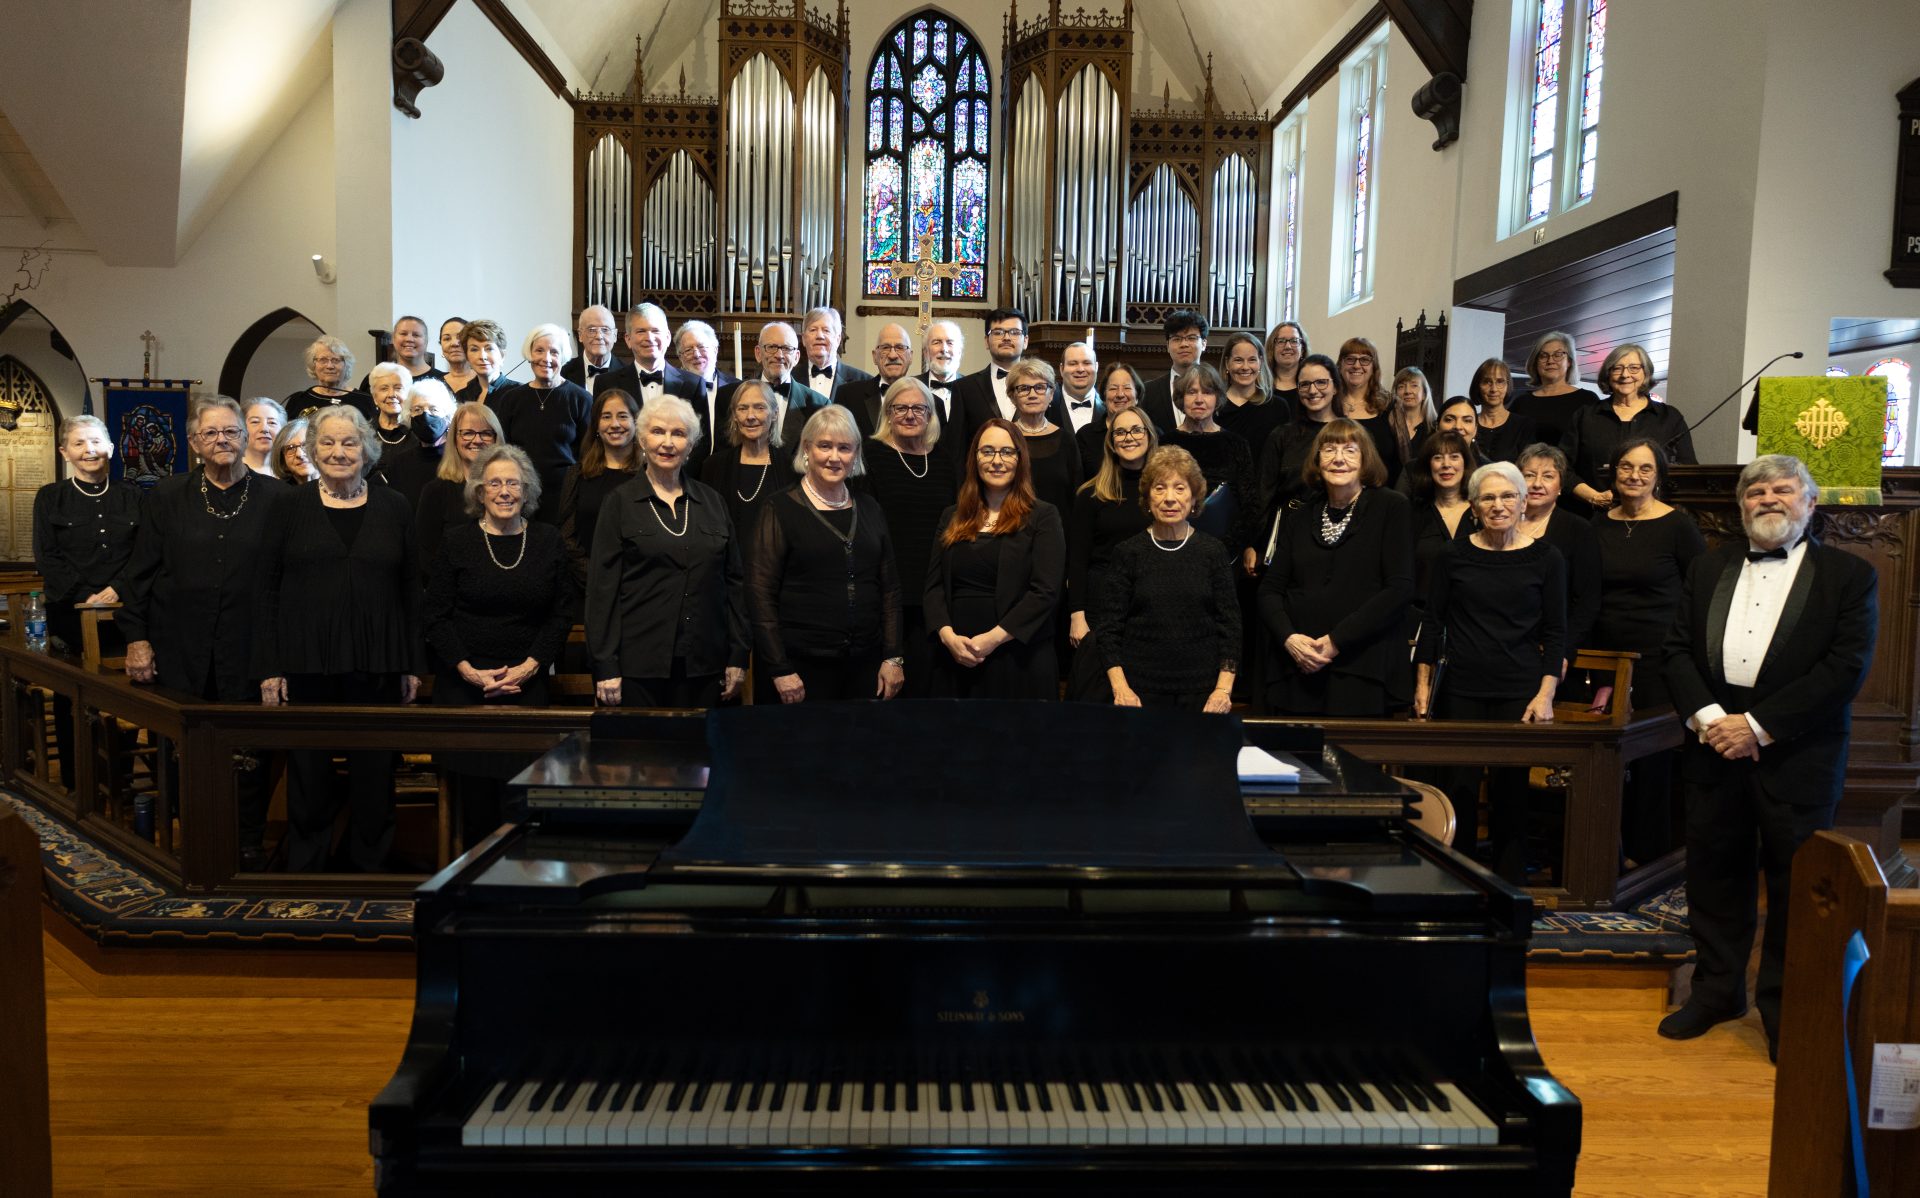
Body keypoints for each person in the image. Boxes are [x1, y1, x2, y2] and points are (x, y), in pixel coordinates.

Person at [1657, 455, 1876, 1061]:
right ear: (1741, 505)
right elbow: (1675, 651)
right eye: (1757, 490)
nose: (1770, 498)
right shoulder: (1707, 566)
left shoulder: (1850, 577)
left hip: (1796, 754)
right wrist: (1711, 722)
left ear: (1810, 504)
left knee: (1796, 888)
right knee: (1714, 876)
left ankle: (1785, 1010)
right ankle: (1717, 992)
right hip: (1713, 746)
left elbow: (1845, 668)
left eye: (1785, 489)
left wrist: (1757, 727)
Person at [119, 397, 286, 869]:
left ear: (245, 436)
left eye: (231, 432)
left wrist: (278, 659)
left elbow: (287, 584)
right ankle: (192, 838)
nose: (222, 441)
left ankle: (248, 842)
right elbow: (140, 575)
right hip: (181, 648)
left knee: (248, 755)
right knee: (181, 752)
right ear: (194, 442)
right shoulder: (167, 495)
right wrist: (137, 639)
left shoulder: (278, 499)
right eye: (211, 433)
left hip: (250, 648)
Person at [255, 405, 420, 873]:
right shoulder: (287, 506)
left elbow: (410, 590)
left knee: (375, 774)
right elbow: (265, 588)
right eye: (326, 443)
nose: (337, 452)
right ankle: (308, 866)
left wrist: (409, 663)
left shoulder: (395, 506)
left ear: (366, 450)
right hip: (306, 661)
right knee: (309, 774)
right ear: (311, 450)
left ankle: (371, 866)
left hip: (379, 661)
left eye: (349, 443)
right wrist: (269, 666)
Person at [1415, 461, 1567, 883]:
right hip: (1460, 689)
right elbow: (1433, 621)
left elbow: (1556, 632)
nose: (1498, 505)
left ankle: (1508, 889)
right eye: (1488, 498)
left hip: (1519, 690)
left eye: (1507, 497)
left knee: (1511, 796)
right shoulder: (1453, 554)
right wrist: (1423, 685)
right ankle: (1457, 883)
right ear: (1475, 507)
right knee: (1459, 793)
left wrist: (1545, 693)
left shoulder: (1547, 558)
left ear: (1522, 503)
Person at [424, 443, 573, 846]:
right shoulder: (456, 542)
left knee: (522, 796)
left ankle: (520, 879)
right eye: (495, 483)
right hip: (464, 684)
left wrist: (530, 666)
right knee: (475, 799)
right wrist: (468, 670)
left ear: (527, 492)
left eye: (514, 483)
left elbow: (561, 614)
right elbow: (435, 614)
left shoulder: (547, 540)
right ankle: (469, 875)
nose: (505, 491)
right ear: (479, 492)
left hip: (526, 680)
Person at [1587, 438, 1707, 863]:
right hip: (1604, 659)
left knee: (1652, 759)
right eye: (1625, 467)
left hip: (1659, 657)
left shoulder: (1678, 526)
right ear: (1613, 473)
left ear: (1659, 476)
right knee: (1605, 759)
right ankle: (1604, 852)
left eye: (1644, 469)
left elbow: (1701, 590)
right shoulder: (1598, 524)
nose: (1633, 476)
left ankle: (1649, 854)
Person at [587, 395, 749, 708]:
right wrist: (605, 665)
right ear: (642, 438)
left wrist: (738, 655)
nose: (668, 442)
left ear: (691, 445)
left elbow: (735, 584)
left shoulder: (713, 502)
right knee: (644, 757)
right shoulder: (619, 503)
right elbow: (602, 590)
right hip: (640, 666)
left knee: (704, 755)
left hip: (708, 663)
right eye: (658, 432)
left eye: (679, 433)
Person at [745, 405, 904, 703]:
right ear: (807, 449)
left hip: (866, 666)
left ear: (855, 454)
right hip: (799, 670)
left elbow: (890, 590)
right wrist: (780, 669)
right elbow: (759, 594)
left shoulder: (870, 508)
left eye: (844, 448)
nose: (834, 457)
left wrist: (893, 657)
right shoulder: (778, 508)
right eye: (825, 446)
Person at [1259, 419, 1412, 717]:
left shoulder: (1392, 507)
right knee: (1298, 763)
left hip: (1363, 667)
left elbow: (1400, 588)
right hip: (1299, 666)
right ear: (1316, 460)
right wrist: (1289, 638)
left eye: (1350, 450)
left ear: (1366, 459)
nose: (1338, 459)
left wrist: (1336, 641)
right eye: (1328, 450)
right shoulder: (1300, 514)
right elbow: (1270, 589)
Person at [32, 414, 143, 787]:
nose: (89, 450)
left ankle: (120, 779)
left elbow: (145, 553)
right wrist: (87, 597)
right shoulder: (50, 497)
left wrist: (118, 589)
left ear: (111, 448)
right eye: (79, 443)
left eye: (96, 442)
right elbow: (47, 557)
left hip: (125, 611)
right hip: (70, 614)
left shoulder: (134, 495)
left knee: (124, 695)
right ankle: (75, 780)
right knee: (73, 697)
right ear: (65, 452)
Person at [924, 418, 1066, 700]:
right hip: (956, 656)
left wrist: (992, 640)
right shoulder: (951, 516)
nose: (996, 460)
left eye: (1006, 452)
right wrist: (948, 636)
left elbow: (1046, 591)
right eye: (987, 451)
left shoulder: (1043, 516)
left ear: (1020, 459)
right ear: (974, 459)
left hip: (1018, 658)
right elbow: (934, 586)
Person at [1094, 445, 1241, 711]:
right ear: (1148, 498)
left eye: (1180, 488)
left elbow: (1230, 627)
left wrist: (1222, 689)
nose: (1169, 498)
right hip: (1137, 694)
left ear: (1195, 497)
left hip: (1203, 694)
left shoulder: (1213, 551)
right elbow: (1108, 629)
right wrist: (1121, 689)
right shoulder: (1128, 553)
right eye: (1159, 488)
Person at [854, 376, 956, 698]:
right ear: (887, 413)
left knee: (930, 687)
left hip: (935, 588)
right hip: (888, 587)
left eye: (918, 408)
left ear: (930, 414)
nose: (910, 415)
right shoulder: (871, 455)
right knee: (888, 691)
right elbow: (865, 526)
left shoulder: (943, 459)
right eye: (900, 408)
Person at [1066, 406, 1156, 701]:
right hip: (1100, 603)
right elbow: (1077, 560)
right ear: (1111, 442)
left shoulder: (1163, 491)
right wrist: (1077, 616)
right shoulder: (1091, 493)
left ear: (1149, 436)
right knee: (1098, 694)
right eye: (1120, 432)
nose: (1128, 438)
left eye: (1136, 430)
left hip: (1150, 602)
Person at [1564, 343, 1697, 512]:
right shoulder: (1585, 416)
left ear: (1645, 373)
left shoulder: (1669, 417)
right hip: (1594, 517)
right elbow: (1562, 467)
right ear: (1608, 374)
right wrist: (1592, 496)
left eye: (1634, 368)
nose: (1625, 375)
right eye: (1617, 368)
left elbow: (1688, 468)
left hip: (1655, 516)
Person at [489, 323, 593, 524]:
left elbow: (588, 454)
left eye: (554, 352)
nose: (546, 358)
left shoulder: (581, 399)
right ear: (530, 354)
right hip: (520, 494)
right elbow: (503, 449)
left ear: (562, 356)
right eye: (539, 350)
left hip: (567, 497)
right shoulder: (512, 399)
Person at [1515, 444, 1601, 668]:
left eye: (1548, 476)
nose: (1536, 484)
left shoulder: (1578, 529)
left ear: (1560, 486)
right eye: (1529, 475)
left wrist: (1562, 650)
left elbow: (1587, 601)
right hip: (1504, 644)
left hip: (1553, 647)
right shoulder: (1502, 523)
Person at [699, 379, 800, 569]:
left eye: (759, 407)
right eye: (742, 408)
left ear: (775, 414)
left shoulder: (791, 468)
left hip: (777, 573)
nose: (750, 416)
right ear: (734, 416)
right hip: (726, 574)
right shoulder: (713, 466)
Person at [556, 387, 641, 587]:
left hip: (639, 588)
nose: (614, 424)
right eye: (606, 417)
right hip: (587, 586)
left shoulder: (649, 475)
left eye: (622, 416)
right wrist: (596, 576)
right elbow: (566, 534)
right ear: (596, 425)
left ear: (635, 422)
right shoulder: (577, 474)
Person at [414, 401, 505, 578]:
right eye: (468, 433)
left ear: (496, 439)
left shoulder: (509, 488)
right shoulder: (435, 492)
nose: (477, 440)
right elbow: (426, 556)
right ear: (454, 439)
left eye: (486, 433)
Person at [1256, 352, 1339, 528]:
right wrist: (1254, 544)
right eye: (1305, 384)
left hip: (1339, 526)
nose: (1312, 390)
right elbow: (1264, 493)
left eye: (1321, 382)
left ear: (1336, 387)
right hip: (1290, 526)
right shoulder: (1282, 436)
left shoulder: (1352, 434)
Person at [720, 321, 829, 455]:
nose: (779, 355)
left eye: (787, 348)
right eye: (771, 347)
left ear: (796, 357)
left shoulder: (818, 405)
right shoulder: (727, 396)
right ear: (758, 354)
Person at [1005, 357, 1082, 518]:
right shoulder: (1004, 437)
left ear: (1051, 394)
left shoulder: (1067, 440)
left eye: (1040, 387)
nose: (1032, 394)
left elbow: (1076, 497)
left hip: (1058, 532)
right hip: (1010, 530)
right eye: (1024, 388)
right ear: (1013, 396)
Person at [1512, 330, 1601, 450]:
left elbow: (1593, 446)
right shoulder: (1521, 403)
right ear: (1535, 362)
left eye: (1558, 355)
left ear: (1569, 361)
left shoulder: (1587, 400)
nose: (1550, 361)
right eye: (1543, 356)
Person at [381, 378, 457, 508]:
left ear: (448, 417)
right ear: (409, 416)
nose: (425, 415)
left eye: (434, 409)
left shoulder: (460, 460)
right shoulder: (399, 463)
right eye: (417, 409)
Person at [1332, 336, 1399, 478]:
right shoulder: (1330, 404)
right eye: (1350, 359)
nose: (1357, 365)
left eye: (1364, 360)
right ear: (1340, 365)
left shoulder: (1390, 405)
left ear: (1373, 367)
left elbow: (1403, 460)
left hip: (1382, 494)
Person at [1217, 331, 1288, 460]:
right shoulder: (1215, 407)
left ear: (1260, 362)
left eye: (1252, 360)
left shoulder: (1278, 407)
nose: (1245, 367)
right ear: (1227, 363)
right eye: (1238, 360)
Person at [839, 322, 915, 438]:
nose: (893, 355)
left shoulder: (927, 400)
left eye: (900, 347)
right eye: (885, 348)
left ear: (910, 356)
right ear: (875, 357)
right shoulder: (848, 396)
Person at [1138, 310, 1209, 433]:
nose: (1184, 344)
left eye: (1191, 338)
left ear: (1204, 343)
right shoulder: (1147, 392)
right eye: (1176, 339)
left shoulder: (1217, 389)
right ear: (1167, 345)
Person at [1075, 361, 1146, 469]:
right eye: (1113, 388)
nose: (1120, 394)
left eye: (1127, 388)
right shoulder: (1085, 436)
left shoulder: (1153, 434)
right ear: (1104, 395)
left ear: (1137, 395)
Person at [285, 335, 373, 422]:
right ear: (313, 365)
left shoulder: (364, 401)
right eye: (323, 360)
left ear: (346, 365)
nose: (329, 366)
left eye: (336, 360)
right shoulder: (298, 400)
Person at [1470, 358, 1537, 464]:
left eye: (1500, 381)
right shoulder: (1468, 425)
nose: (1494, 389)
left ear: (1507, 386)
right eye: (1487, 382)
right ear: (1477, 386)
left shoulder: (1524, 426)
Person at [800, 306, 872, 402]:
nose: (819, 336)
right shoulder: (789, 378)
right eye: (813, 330)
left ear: (838, 339)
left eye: (826, 330)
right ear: (804, 339)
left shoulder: (864, 382)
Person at [365, 362, 418, 493]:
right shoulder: (363, 433)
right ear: (375, 397)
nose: (391, 394)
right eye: (384, 389)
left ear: (409, 394)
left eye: (398, 388)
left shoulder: (419, 432)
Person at [454, 319, 519, 405]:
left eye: (489, 349)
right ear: (467, 357)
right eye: (474, 349)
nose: (482, 356)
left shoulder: (518, 393)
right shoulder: (460, 396)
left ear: (502, 355)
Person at [920, 319, 966, 429]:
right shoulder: (911, 388)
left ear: (959, 352)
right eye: (937, 342)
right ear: (926, 352)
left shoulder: (973, 389)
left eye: (950, 343)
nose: (944, 349)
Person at [561, 304, 620, 387]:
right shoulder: (562, 372)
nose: (599, 336)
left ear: (615, 335)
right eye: (592, 330)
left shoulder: (629, 374)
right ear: (580, 335)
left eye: (605, 329)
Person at [1388, 367, 1437, 467]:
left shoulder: (1435, 428)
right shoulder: (1387, 424)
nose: (1407, 391)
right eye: (1401, 387)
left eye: (1414, 385)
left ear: (1424, 394)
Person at [1057, 341, 1101, 435]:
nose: (1080, 369)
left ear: (1096, 367)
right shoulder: (1047, 407)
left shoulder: (1109, 406)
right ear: (1061, 369)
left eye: (1087, 363)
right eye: (1073, 364)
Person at [1265, 321, 1309, 411]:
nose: (1288, 346)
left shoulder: (1311, 386)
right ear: (1272, 348)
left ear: (1303, 349)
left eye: (1294, 341)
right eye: (1281, 341)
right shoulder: (1261, 386)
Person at [241, 398, 286, 476]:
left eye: (272, 422)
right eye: (255, 422)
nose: (264, 429)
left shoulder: (290, 473)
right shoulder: (229, 470)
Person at [269, 418, 318, 485]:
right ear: (283, 463)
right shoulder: (278, 494)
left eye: (305, 445)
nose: (299, 454)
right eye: (290, 448)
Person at [438, 317, 475, 399]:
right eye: (447, 338)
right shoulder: (434, 385)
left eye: (460, 337)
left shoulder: (485, 382)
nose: (454, 343)